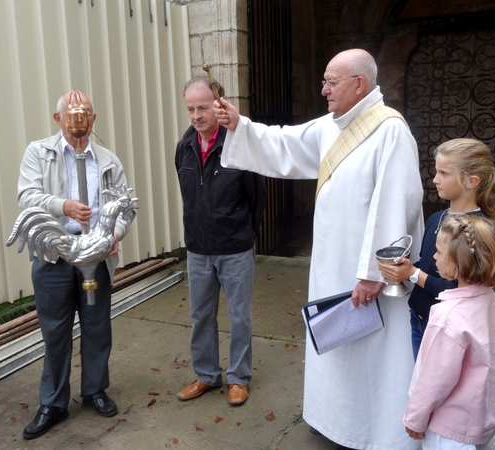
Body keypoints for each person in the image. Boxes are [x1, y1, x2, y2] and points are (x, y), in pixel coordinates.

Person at [214, 49, 424, 448]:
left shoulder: (390, 130)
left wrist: (371, 272)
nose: (324, 90)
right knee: (334, 340)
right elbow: (284, 143)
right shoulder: (332, 126)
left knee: (371, 350)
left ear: (359, 84)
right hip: (331, 263)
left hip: (367, 274)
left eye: (331, 82)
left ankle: (370, 430)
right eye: (324, 81)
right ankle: (332, 419)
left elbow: (396, 202)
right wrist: (240, 124)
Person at [17, 90, 132, 439]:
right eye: (71, 114)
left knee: (97, 327)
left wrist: (116, 234)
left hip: (96, 257)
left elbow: (126, 205)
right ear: (58, 119)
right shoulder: (39, 153)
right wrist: (62, 206)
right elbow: (26, 196)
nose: (79, 120)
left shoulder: (108, 160)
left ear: (93, 119)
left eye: (86, 114)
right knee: (55, 332)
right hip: (55, 256)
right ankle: (53, 402)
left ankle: (95, 389)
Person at [175, 76, 266, 406]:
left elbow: (257, 197)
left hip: (235, 248)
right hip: (198, 249)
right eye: (190, 109)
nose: (196, 115)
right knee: (201, 315)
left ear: (218, 105)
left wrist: (244, 232)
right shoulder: (184, 147)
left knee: (239, 316)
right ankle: (206, 375)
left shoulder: (238, 144)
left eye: (202, 107)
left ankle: (239, 377)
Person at [379, 138, 495, 358]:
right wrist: (403, 270)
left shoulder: (477, 230)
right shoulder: (436, 218)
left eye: (444, 173)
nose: (435, 179)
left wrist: (413, 274)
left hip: (450, 328)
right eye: (436, 171)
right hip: (420, 319)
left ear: (471, 181)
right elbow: (427, 264)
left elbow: (461, 291)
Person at [403, 214, 495, 450]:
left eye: (438, 252)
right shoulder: (490, 301)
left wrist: (415, 418)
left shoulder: (447, 318)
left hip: (449, 431)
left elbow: (434, 378)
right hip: (482, 420)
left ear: (457, 262)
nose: (433, 257)